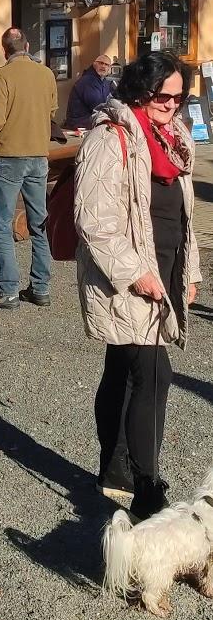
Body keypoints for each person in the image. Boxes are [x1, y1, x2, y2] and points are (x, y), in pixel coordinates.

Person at [74, 51, 200, 519]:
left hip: (165, 265)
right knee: (151, 373)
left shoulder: (173, 136)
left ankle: (114, 471)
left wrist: (190, 273)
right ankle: (147, 484)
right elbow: (96, 221)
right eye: (162, 96)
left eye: (179, 96)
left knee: (123, 366)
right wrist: (135, 273)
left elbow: (186, 216)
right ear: (139, 91)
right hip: (128, 274)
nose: (172, 104)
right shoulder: (110, 138)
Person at [0, 27, 60, 309]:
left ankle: (7, 290)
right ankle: (41, 287)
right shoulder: (46, 73)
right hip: (39, 156)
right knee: (40, 223)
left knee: (1, 222)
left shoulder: (4, 76)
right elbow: (51, 111)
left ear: (4, 49)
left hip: (11, 157)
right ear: (27, 45)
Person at [64, 54, 117, 130]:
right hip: (80, 123)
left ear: (109, 68)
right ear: (94, 64)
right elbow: (97, 105)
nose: (103, 66)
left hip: (91, 120)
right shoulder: (87, 81)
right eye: (100, 63)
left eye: (106, 65)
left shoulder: (104, 81)